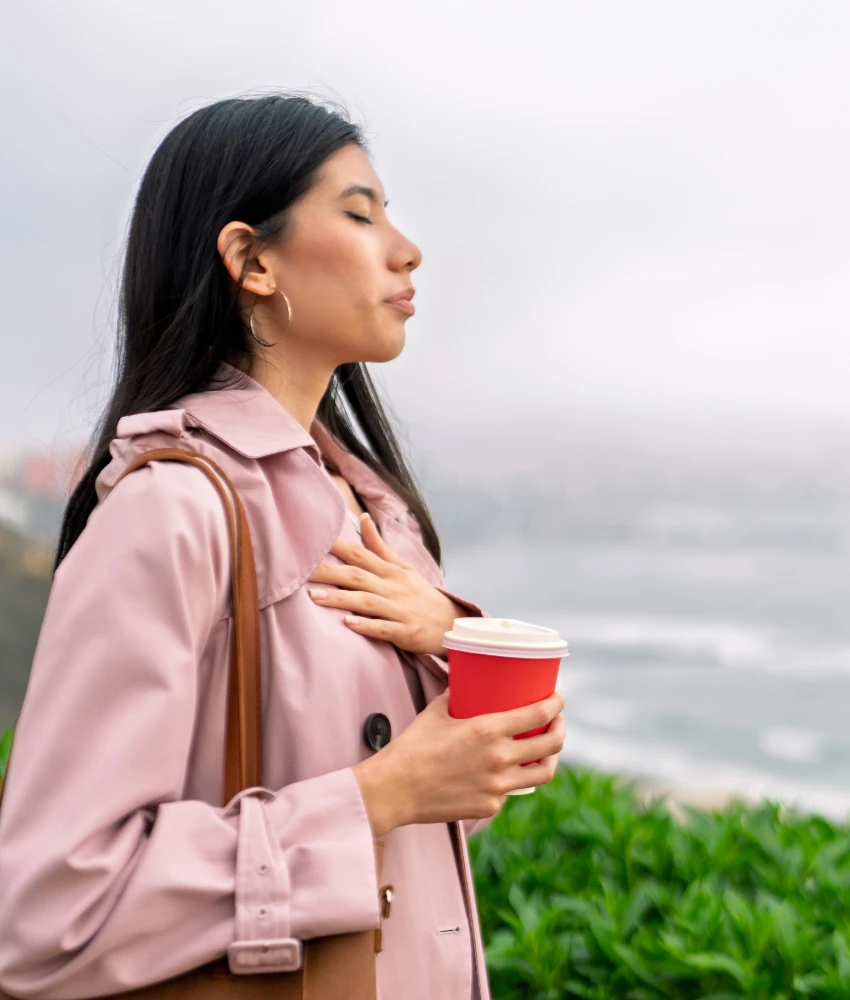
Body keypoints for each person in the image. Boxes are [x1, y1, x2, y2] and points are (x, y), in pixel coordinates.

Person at [0, 94, 566, 1000]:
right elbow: (44, 909)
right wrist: (379, 795)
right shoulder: (173, 511)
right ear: (251, 259)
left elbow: (422, 833)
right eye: (359, 212)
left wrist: (453, 649)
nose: (406, 248)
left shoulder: (372, 512)